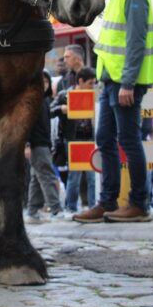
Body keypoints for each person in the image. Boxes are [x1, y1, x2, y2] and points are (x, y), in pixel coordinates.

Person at [73, 0, 153, 224]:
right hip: (112, 80)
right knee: (106, 140)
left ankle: (138, 203)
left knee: (129, 141)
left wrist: (128, 83)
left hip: (124, 83)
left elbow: (135, 41)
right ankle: (107, 201)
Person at [54, 66, 97, 214]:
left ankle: (92, 207)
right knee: (75, 175)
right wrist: (61, 108)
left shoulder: (94, 96)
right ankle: (71, 207)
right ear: (81, 81)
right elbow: (50, 110)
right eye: (90, 83)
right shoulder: (66, 95)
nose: (92, 87)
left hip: (90, 138)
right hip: (73, 139)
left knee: (92, 176)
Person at [25, 70, 62, 222]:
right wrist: (27, 144)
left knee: (36, 178)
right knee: (47, 176)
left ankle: (32, 211)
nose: (44, 84)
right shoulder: (32, 101)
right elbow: (26, 125)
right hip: (37, 144)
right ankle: (56, 210)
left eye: (46, 81)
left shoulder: (43, 100)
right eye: (41, 81)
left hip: (42, 144)